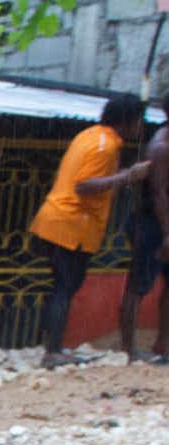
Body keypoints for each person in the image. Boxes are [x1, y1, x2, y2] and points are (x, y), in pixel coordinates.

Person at [33, 92, 147, 368]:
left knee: (62, 287)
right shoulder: (104, 146)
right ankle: (52, 352)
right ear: (128, 121)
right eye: (139, 121)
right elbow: (84, 186)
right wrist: (127, 176)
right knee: (64, 287)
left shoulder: (89, 135)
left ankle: (53, 347)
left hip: (59, 220)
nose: (141, 128)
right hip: (71, 224)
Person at [117, 112, 169, 361]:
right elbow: (160, 194)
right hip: (151, 224)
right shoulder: (160, 147)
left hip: (161, 224)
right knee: (138, 285)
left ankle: (162, 346)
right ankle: (129, 349)